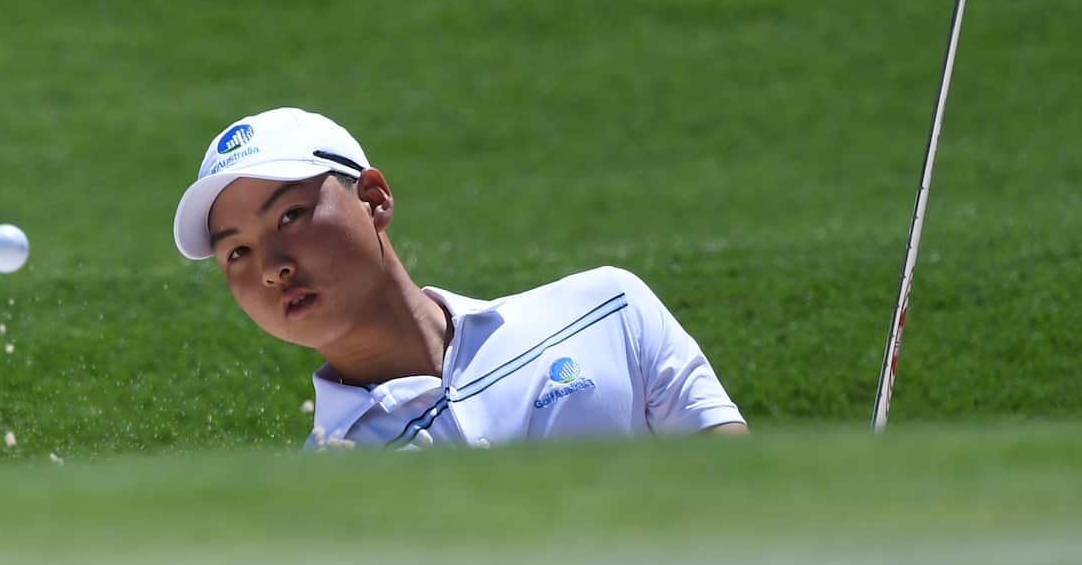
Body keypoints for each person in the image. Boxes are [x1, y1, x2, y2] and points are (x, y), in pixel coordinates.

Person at [173, 107, 746, 449]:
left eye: (291, 216)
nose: (272, 267)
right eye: (238, 252)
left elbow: (745, 507)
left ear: (373, 199)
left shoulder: (607, 312)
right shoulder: (327, 488)